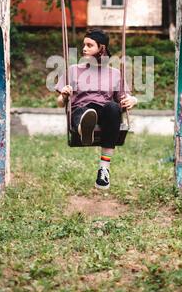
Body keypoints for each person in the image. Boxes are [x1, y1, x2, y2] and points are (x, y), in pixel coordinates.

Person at [55, 28, 137, 190]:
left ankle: (104, 170)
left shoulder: (114, 73)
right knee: (84, 111)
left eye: (89, 45)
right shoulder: (73, 70)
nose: (84, 48)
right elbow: (59, 103)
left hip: (103, 113)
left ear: (102, 48)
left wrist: (133, 100)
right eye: (83, 45)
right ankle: (84, 128)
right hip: (81, 109)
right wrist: (64, 95)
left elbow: (124, 99)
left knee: (113, 107)